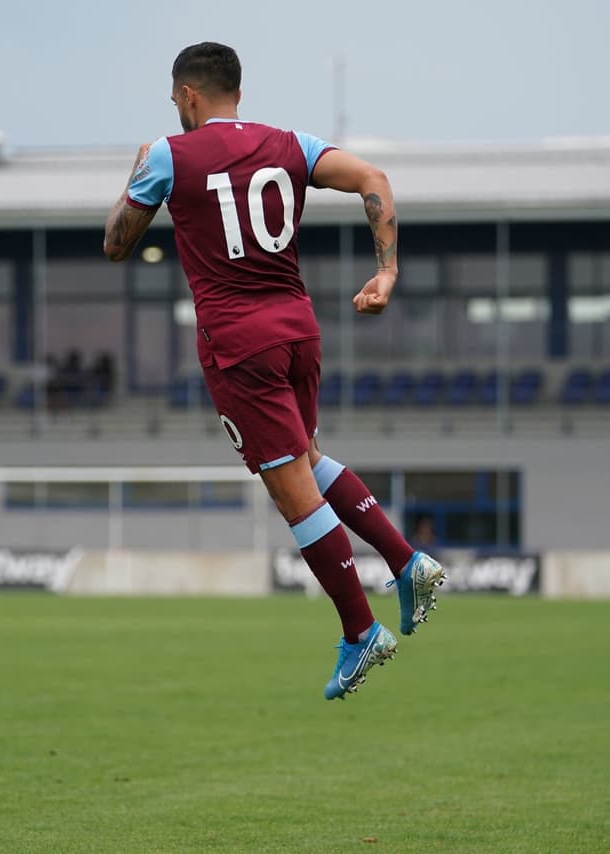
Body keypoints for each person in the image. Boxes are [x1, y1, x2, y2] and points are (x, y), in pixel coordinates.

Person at [104, 42, 445, 702]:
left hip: (238, 343)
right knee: (308, 458)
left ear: (190, 96)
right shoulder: (293, 145)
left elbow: (118, 244)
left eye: (176, 99)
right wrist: (387, 271)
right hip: (297, 329)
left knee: (290, 489)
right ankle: (406, 562)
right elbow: (374, 179)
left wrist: (134, 176)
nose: (175, 110)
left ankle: (360, 630)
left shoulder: (170, 156)